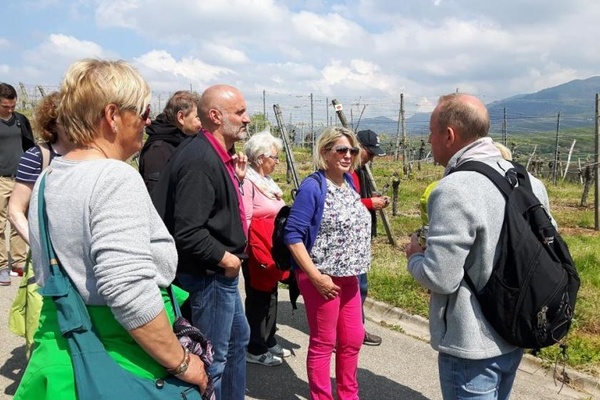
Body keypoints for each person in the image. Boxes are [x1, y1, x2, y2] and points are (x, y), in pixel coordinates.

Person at [15, 59, 208, 399]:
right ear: (112, 116)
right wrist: (182, 363)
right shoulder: (114, 177)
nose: (148, 122)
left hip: (64, 354)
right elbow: (128, 290)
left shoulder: (50, 178)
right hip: (122, 357)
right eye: (144, 112)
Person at [405, 93, 552, 400]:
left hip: (472, 342)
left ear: (449, 135)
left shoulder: (454, 189)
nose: (429, 140)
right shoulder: (528, 180)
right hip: (516, 329)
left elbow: (440, 278)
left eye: (431, 133)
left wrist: (415, 257)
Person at [152, 84, 251, 400]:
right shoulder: (200, 159)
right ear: (215, 116)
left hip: (219, 273)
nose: (247, 119)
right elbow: (189, 232)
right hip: (209, 275)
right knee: (213, 358)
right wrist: (229, 260)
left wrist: (234, 180)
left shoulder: (214, 153)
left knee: (238, 339)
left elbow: (210, 211)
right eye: (239, 112)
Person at [284, 126, 371, 400]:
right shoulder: (314, 186)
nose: (348, 155)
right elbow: (293, 235)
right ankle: (321, 396)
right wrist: (316, 276)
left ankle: (348, 395)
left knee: (352, 339)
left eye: (352, 150)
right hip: (321, 277)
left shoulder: (351, 182)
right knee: (324, 342)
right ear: (325, 152)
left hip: (350, 276)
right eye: (341, 150)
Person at [7, 91, 74, 353]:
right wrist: (41, 245)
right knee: (42, 325)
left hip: (78, 258)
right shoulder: (38, 156)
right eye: (67, 117)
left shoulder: (91, 156)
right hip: (47, 260)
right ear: (53, 122)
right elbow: (15, 210)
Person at [241, 131, 291, 367]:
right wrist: (249, 252)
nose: (277, 161)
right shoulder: (248, 182)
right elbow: (247, 219)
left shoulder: (267, 182)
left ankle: (268, 339)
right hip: (257, 250)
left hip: (271, 248)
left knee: (271, 294)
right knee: (259, 298)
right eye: (274, 157)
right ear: (260, 158)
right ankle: (255, 346)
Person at [352, 129, 389, 346]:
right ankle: (347, 334)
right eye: (370, 152)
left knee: (360, 286)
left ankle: (356, 329)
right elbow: (341, 204)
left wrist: (371, 198)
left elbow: (357, 197)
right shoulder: (345, 171)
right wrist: (369, 204)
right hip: (349, 240)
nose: (372, 157)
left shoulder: (360, 169)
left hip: (360, 236)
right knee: (354, 288)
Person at [0, 82, 34, 286]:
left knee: (19, 220)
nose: (10, 109)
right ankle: (2, 265)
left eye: (13, 105)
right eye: (5, 106)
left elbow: (29, 144)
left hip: (20, 179)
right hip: (1, 179)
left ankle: (19, 263)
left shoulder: (20, 120)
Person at [138, 90, 202, 193]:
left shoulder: (184, 141)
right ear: (181, 117)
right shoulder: (158, 150)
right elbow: (156, 194)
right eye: (198, 118)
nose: (202, 124)